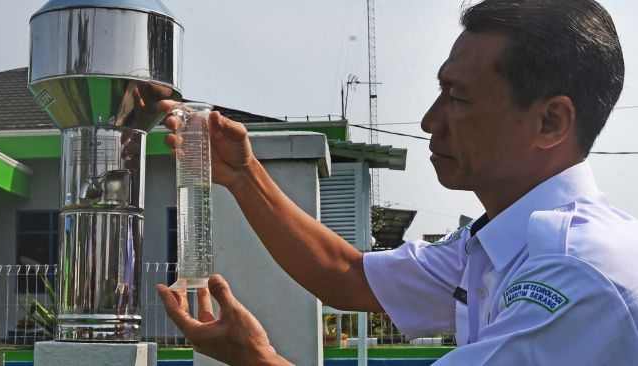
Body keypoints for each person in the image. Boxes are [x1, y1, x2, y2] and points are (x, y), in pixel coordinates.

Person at [157, 0, 638, 364]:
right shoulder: (500, 246)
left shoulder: (575, 275)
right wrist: (242, 175)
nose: (430, 120)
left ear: (551, 122)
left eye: (458, 98)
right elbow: (347, 277)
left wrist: (257, 358)